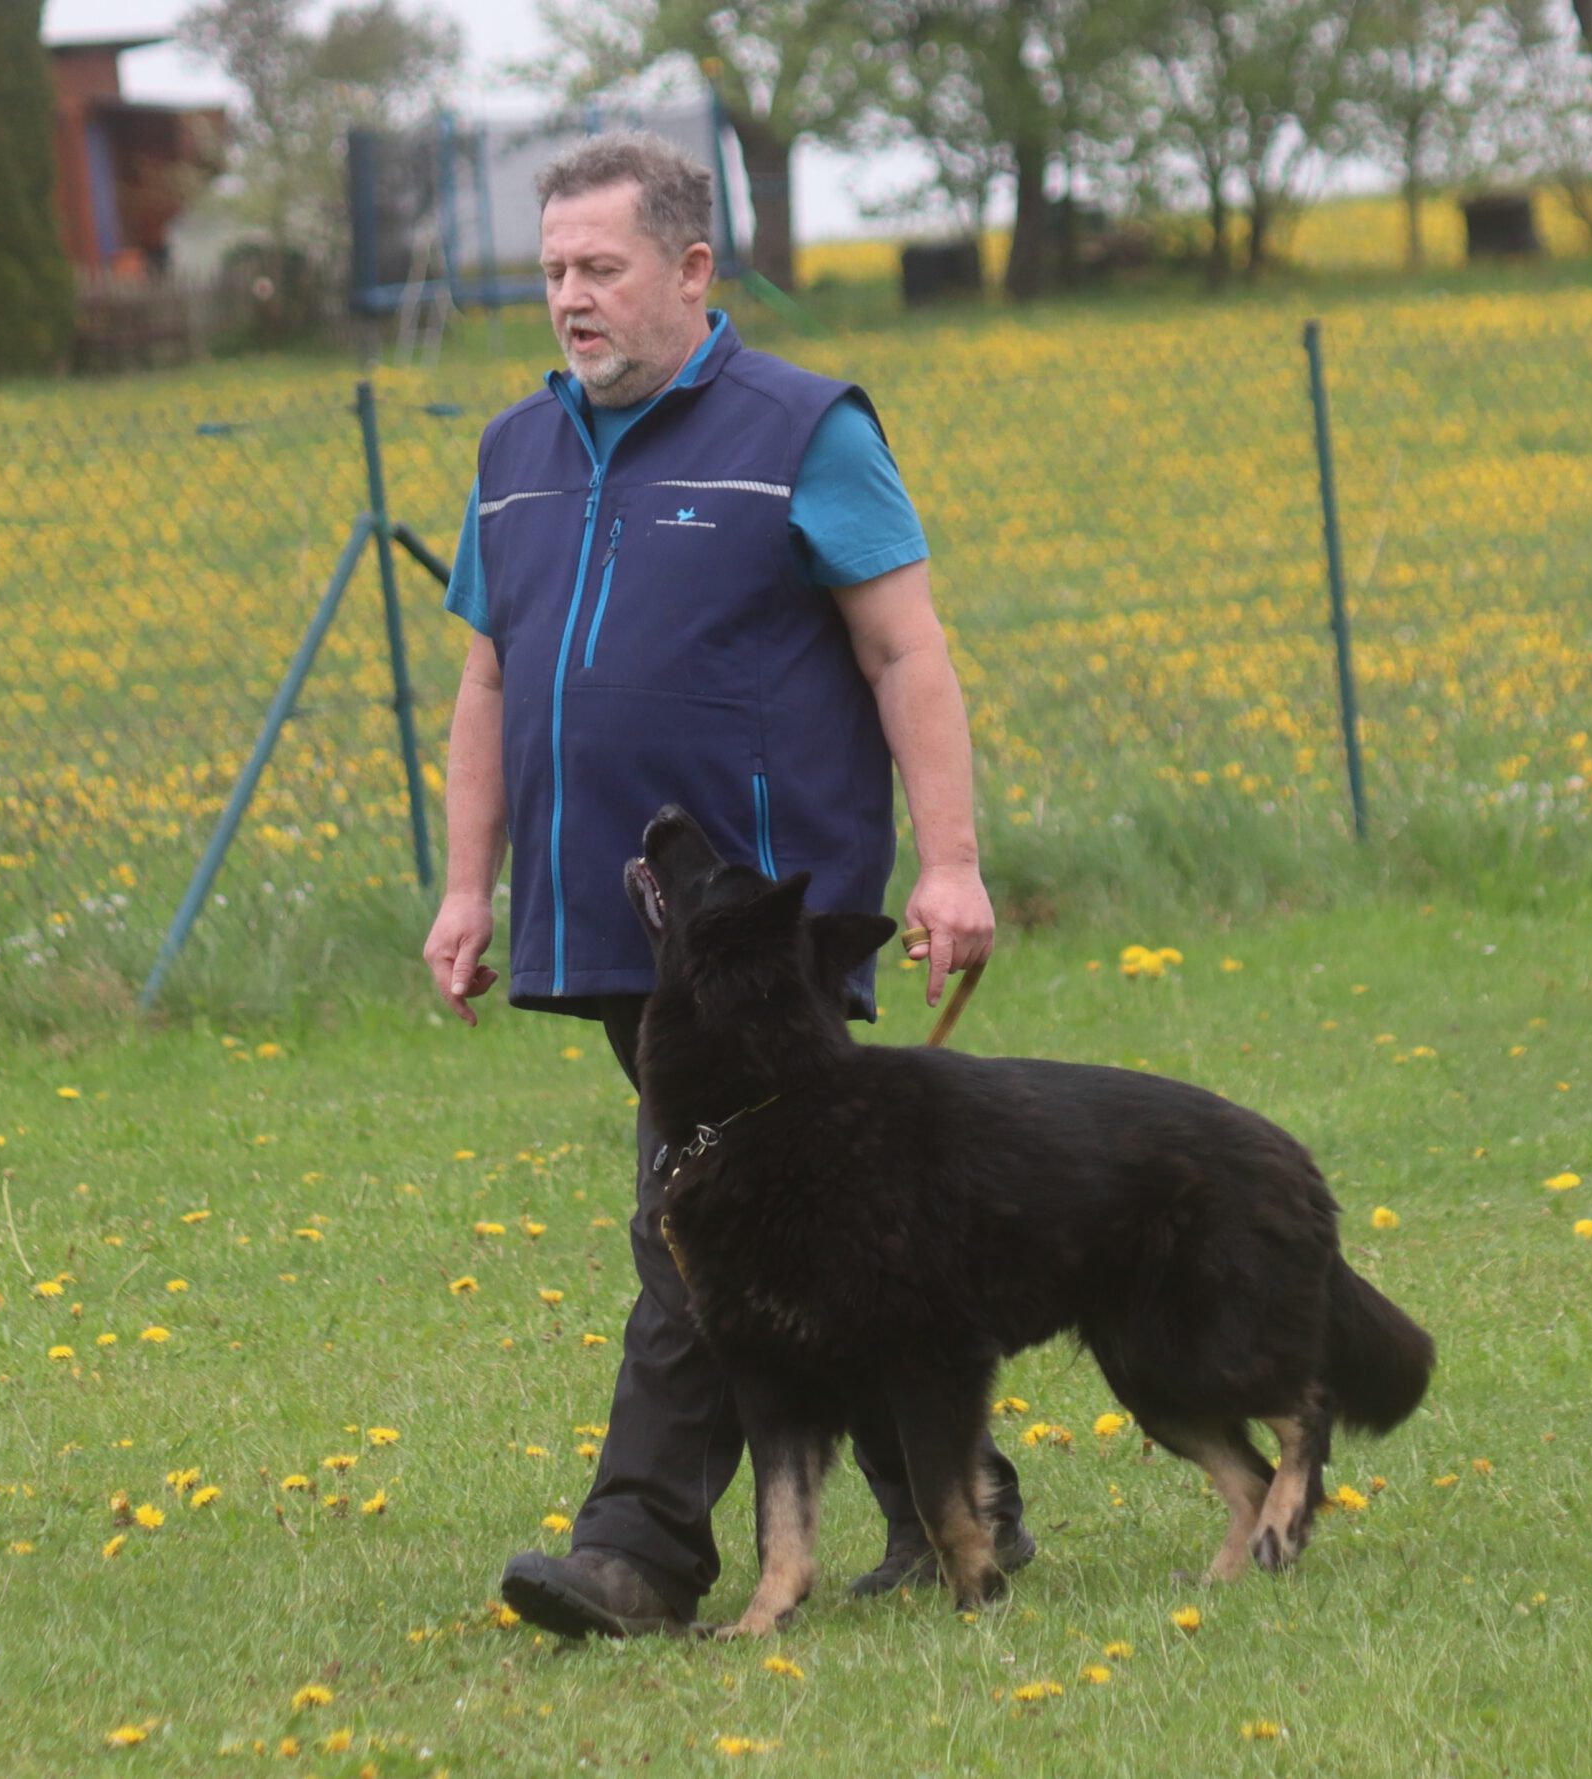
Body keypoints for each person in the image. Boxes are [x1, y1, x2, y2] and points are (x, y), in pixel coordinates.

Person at [419, 130, 1031, 1639]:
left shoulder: (805, 428)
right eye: (553, 269)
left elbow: (906, 651)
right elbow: (488, 689)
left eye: (600, 268)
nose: (569, 297)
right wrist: (464, 889)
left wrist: (950, 863)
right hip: (606, 910)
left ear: (691, 271)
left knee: (693, 1212)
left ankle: (638, 1552)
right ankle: (964, 1503)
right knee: (800, 1225)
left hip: (765, 924)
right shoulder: (514, 455)